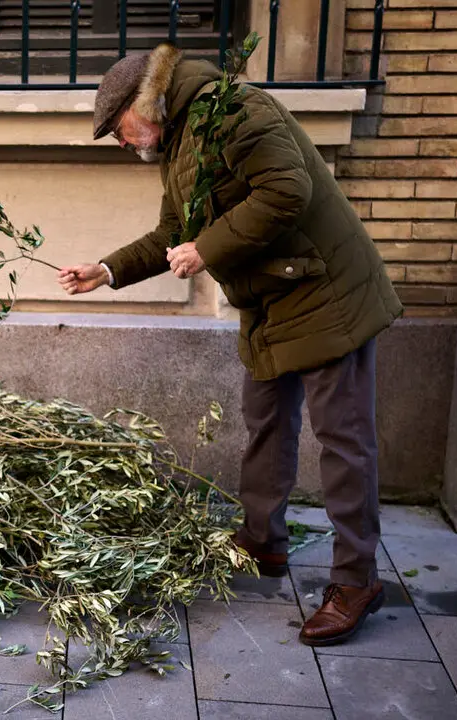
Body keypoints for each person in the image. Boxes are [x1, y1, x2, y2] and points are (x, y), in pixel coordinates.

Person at [57, 43, 403, 647]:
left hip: (325, 290)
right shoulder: (181, 138)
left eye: (117, 130)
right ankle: (264, 543)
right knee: (265, 421)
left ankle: (356, 580)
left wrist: (208, 249)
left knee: (344, 440)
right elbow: (173, 231)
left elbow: (285, 192)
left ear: (146, 103)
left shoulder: (235, 109)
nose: (120, 142)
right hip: (271, 298)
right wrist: (106, 270)